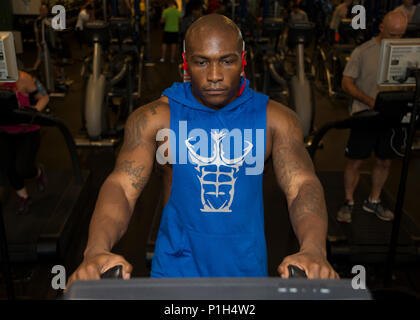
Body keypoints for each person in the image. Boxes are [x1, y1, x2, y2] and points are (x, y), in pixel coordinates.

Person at [67, 14, 338, 285]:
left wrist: (314, 249)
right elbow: (122, 187)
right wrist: (96, 249)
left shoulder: (276, 119)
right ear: (186, 64)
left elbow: (302, 185)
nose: (215, 76)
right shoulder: (154, 118)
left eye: (227, 61)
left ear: (243, 61)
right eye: (201, 62)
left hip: (246, 272)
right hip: (175, 271)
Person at [337, 11, 408, 224]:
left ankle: (373, 200)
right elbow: (346, 83)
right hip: (365, 114)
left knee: (385, 161)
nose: (395, 40)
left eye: (400, 35)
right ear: (381, 28)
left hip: (393, 116)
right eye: (392, 34)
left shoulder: (407, 52)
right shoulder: (363, 51)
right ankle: (348, 201)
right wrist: (369, 101)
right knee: (356, 161)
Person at [0, 71, 49, 215]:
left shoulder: (23, 78)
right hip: (3, 132)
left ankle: (38, 172)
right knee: (8, 167)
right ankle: (24, 197)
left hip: (27, 131)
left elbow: (44, 98)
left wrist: (35, 111)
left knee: (23, 168)